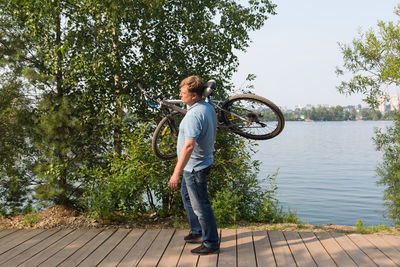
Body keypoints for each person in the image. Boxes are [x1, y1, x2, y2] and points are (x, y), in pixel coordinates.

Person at [168, 75, 219, 255]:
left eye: (183, 93)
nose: (180, 95)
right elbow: (191, 115)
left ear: (194, 96)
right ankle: (197, 231)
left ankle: (211, 243)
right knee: (187, 196)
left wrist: (175, 173)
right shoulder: (206, 107)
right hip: (198, 164)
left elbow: (189, 146)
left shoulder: (194, 115)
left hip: (195, 167)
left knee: (201, 206)